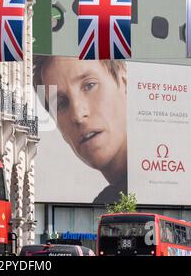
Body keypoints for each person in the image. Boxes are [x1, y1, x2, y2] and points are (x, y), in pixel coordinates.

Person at [33, 55, 127, 204]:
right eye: (61, 104)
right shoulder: (108, 202)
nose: (77, 115)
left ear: (124, 83)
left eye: (89, 86)